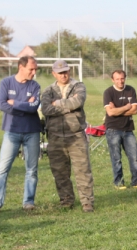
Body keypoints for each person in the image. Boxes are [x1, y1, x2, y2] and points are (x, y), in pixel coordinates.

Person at [0, 56, 41, 213]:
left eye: (35, 69)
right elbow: (2, 105)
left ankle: (28, 201)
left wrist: (15, 103)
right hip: (11, 132)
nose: (34, 72)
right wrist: (25, 105)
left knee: (32, 169)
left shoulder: (35, 85)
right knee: (2, 168)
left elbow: (33, 107)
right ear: (21, 67)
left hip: (32, 131)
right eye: (31, 69)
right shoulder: (6, 83)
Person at [41, 60, 95, 212]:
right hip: (55, 136)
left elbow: (77, 102)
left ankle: (87, 202)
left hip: (76, 135)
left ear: (69, 71)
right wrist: (67, 108)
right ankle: (66, 199)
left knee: (83, 170)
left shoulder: (78, 86)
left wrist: (57, 103)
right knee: (59, 171)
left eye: (65, 71)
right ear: (53, 74)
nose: (63, 75)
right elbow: (45, 109)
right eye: (60, 73)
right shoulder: (48, 90)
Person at [103, 69, 137, 189]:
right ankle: (119, 183)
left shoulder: (130, 90)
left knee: (134, 157)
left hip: (128, 129)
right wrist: (127, 107)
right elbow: (110, 113)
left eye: (122, 78)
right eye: (117, 79)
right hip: (113, 129)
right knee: (116, 158)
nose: (120, 81)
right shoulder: (108, 92)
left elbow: (135, 110)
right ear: (113, 80)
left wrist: (118, 109)